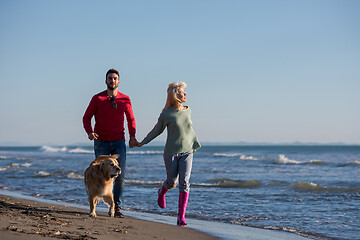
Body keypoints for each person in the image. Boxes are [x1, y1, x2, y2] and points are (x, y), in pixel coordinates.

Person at [138, 82, 201, 226]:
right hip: (171, 152)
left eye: (185, 92)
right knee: (172, 182)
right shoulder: (166, 114)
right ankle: (162, 191)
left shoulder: (188, 110)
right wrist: (143, 142)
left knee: (184, 183)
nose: (185, 94)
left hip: (187, 151)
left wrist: (193, 142)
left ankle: (181, 217)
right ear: (175, 95)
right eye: (182, 92)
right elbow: (156, 131)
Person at [82, 68, 139, 218]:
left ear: (118, 81)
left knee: (120, 175)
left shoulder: (125, 99)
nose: (112, 81)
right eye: (109, 78)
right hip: (101, 142)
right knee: (99, 173)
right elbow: (86, 117)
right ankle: (93, 203)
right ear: (106, 81)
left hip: (119, 141)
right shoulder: (97, 98)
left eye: (114, 78)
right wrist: (89, 132)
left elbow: (131, 119)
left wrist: (132, 137)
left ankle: (116, 207)